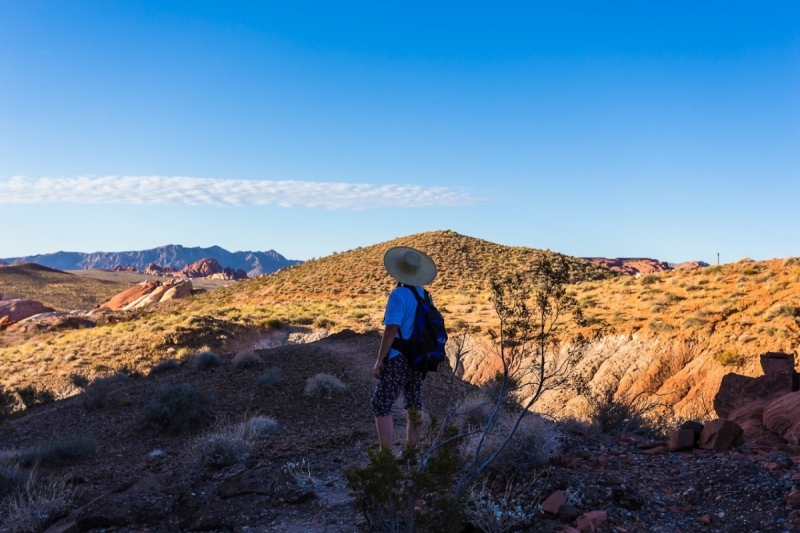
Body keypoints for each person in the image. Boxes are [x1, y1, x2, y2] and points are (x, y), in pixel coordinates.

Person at [371, 246, 438, 452]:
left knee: (381, 403)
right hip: (419, 358)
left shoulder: (399, 294)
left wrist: (380, 359)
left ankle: (385, 458)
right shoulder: (425, 295)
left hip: (398, 357)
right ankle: (410, 453)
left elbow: (391, 329)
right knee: (414, 403)